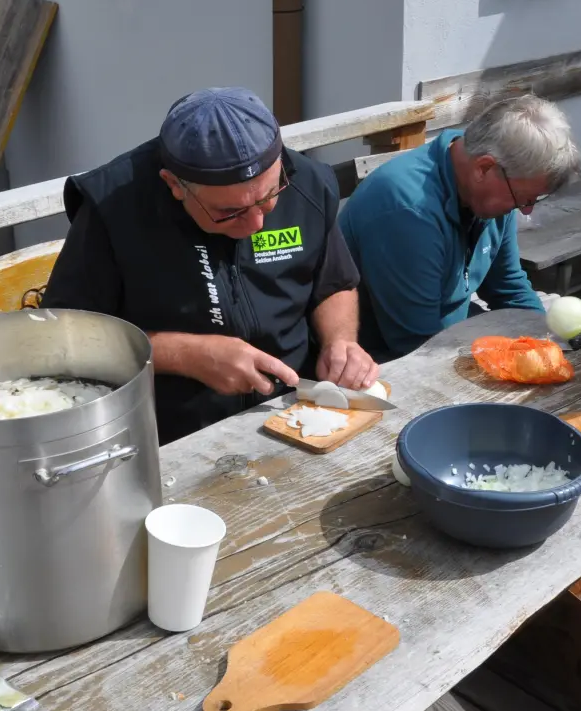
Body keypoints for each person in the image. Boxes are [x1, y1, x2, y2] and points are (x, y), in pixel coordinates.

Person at [41, 87, 378, 444]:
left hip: (295, 414)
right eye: (229, 212)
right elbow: (66, 336)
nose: (255, 225)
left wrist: (340, 343)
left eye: (268, 198)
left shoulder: (306, 182)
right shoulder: (113, 209)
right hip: (173, 433)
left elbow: (334, 283)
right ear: (174, 185)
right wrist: (187, 355)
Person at [339, 95, 581, 362]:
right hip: (379, 364)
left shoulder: (489, 184)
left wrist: (545, 345)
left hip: (449, 337)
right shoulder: (408, 210)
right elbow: (418, 347)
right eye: (523, 199)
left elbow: (508, 287)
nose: (526, 210)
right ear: (484, 168)